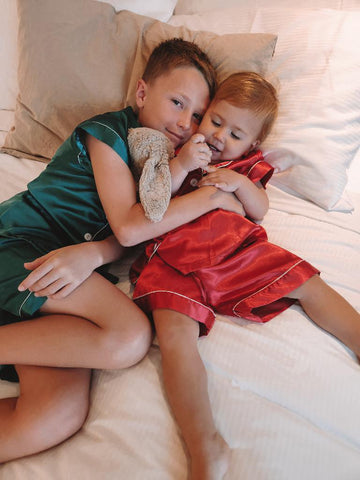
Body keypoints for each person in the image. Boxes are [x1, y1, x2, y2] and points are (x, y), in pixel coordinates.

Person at [0, 38, 244, 463]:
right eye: (177, 102)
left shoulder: (174, 165)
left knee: (55, 415)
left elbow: (141, 227)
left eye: (198, 115)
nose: (187, 122)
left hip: (66, 273)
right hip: (21, 242)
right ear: (143, 92)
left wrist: (94, 254)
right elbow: (131, 227)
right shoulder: (107, 133)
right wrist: (210, 199)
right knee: (128, 337)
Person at [130, 72, 360, 480]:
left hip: (235, 249)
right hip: (174, 256)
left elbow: (260, 210)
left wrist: (238, 182)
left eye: (235, 134)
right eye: (216, 121)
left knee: (305, 280)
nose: (220, 136)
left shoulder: (247, 166)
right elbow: (154, 198)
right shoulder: (180, 147)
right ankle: (204, 444)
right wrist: (183, 163)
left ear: (252, 145)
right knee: (174, 338)